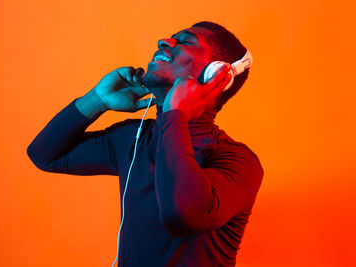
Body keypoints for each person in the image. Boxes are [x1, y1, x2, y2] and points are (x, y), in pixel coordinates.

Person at [27, 21, 264, 267]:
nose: (165, 42)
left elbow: (180, 215)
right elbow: (45, 154)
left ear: (216, 74)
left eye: (185, 41)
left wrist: (176, 113)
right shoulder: (135, 137)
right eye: (171, 37)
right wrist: (97, 99)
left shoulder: (238, 162)